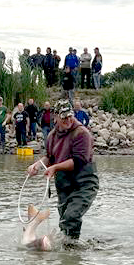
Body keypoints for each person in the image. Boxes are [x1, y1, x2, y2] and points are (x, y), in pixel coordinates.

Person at [27, 100, 99, 240]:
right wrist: (37, 165)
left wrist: (55, 167)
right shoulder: (51, 136)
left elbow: (78, 161)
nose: (68, 120)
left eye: (70, 116)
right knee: (64, 222)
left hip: (84, 184)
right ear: (56, 117)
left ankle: (71, 251)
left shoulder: (82, 133)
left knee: (71, 217)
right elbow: (49, 157)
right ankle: (67, 252)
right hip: (64, 185)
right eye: (64, 117)